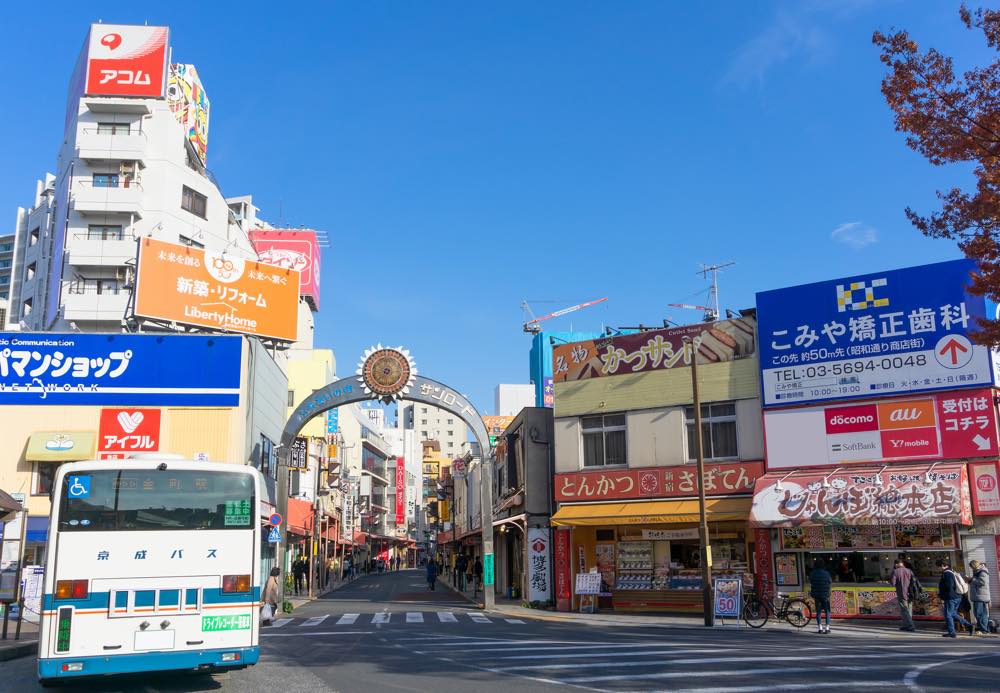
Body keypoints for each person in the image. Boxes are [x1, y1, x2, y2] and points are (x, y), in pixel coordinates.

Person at [938, 559, 975, 637]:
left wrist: (943, 596)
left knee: (948, 614)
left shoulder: (947, 573)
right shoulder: (951, 572)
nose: (938, 568)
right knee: (953, 613)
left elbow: (949, 586)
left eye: (938, 566)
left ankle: (952, 632)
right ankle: (969, 625)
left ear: (942, 565)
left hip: (951, 597)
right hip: (957, 596)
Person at [890, 559, 917, 632]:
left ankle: (910, 626)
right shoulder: (909, 571)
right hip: (910, 593)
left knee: (904, 610)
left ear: (896, 564)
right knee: (909, 610)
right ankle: (906, 625)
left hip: (902, 593)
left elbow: (893, 583)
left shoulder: (895, 571)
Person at [809, 558, 833, 633]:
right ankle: (827, 628)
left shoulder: (812, 573)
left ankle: (820, 628)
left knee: (818, 612)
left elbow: (810, 581)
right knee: (827, 611)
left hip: (816, 595)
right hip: (825, 595)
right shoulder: (826, 573)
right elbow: (830, 581)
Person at [969, 560, 992, 635]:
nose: (971, 569)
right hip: (978, 596)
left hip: (980, 596)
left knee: (979, 613)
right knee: (982, 613)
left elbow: (982, 582)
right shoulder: (979, 571)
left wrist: (971, 579)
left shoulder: (982, 572)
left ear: (974, 566)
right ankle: (985, 629)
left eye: (972, 567)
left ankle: (984, 629)